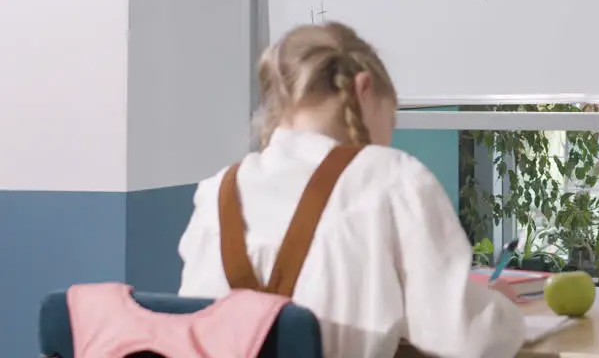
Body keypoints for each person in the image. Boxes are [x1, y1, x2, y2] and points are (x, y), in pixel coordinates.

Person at [177, 21, 526, 358]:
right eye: (390, 119)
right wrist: (502, 310)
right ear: (363, 88)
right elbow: (465, 339)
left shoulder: (218, 192)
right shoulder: (392, 177)